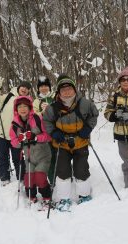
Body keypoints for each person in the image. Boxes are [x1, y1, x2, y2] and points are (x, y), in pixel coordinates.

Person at [43, 74, 99, 212]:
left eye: (69, 88)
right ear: (59, 92)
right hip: (61, 144)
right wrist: (54, 133)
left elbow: (94, 115)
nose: (67, 92)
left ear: (74, 89)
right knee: (62, 171)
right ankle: (64, 198)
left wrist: (87, 129)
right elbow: (47, 122)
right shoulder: (53, 107)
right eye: (63, 89)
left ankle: (84, 196)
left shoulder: (85, 103)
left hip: (81, 141)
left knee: (81, 169)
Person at [9, 96, 52, 205]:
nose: (22, 109)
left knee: (40, 176)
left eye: (25, 106)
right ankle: (31, 197)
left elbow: (48, 136)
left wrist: (35, 137)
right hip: (29, 159)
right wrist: (20, 140)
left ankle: (47, 197)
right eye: (20, 107)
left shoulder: (38, 119)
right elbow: (14, 143)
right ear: (16, 109)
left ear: (29, 107)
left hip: (43, 156)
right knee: (28, 179)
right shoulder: (15, 125)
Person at [0, 78, 32, 186]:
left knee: (17, 157)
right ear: (19, 87)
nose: (24, 89)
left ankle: (21, 178)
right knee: (2, 157)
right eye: (23, 86)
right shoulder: (8, 97)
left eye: (27, 88)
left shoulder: (28, 102)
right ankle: (4, 178)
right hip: (1, 133)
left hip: (17, 135)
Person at [33, 76, 56, 184]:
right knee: (49, 158)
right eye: (41, 86)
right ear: (38, 88)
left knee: (60, 157)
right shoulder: (36, 101)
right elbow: (32, 116)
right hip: (44, 134)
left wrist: (51, 108)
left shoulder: (55, 97)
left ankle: (65, 178)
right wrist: (42, 112)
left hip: (57, 132)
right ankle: (52, 182)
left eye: (46, 86)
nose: (44, 88)